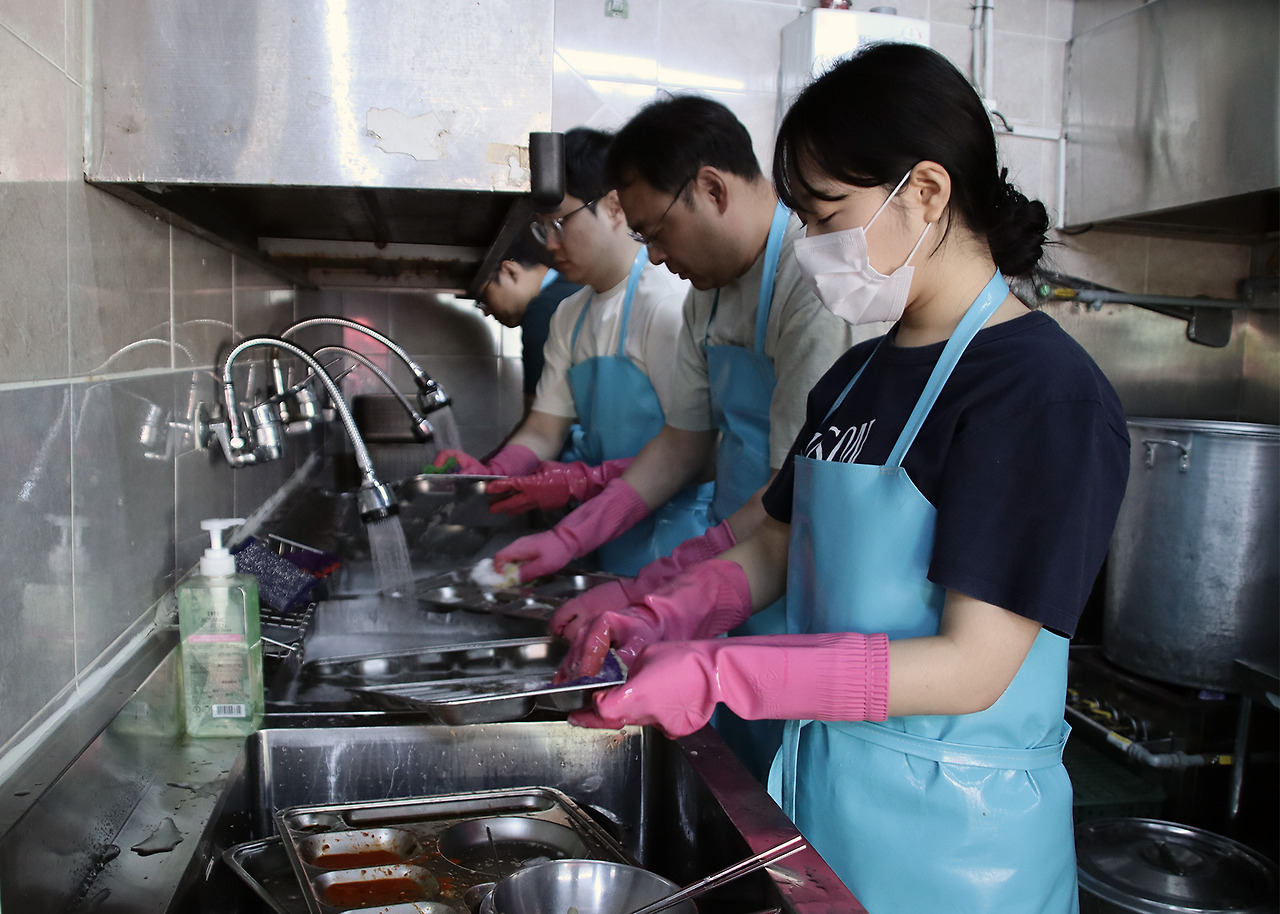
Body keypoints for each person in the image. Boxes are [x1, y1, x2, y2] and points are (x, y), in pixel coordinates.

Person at [557, 43, 1130, 914]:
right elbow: (780, 545)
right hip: (820, 802)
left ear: (926, 194)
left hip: (954, 852)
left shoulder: (1038, 393)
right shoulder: (858, 376)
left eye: (826, 216)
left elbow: (972, 668)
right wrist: (663, 614)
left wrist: (724, 673)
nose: (813, 247)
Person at [488, 96, 859, 780]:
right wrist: (573, 539)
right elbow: (684, 445)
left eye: (657, 231)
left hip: (797, 586)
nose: (652, 255)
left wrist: (657, 591)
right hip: (730, 576)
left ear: (713, 189)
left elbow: (793, 492)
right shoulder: (706, 297)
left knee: (781, 779)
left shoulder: (812, 291)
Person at [433, 127, 706, 576]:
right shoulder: (569, 316)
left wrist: (582, 481)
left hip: (675, 540)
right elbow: (544, 428)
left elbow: (695, 451)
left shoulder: (666, 303)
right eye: (541, 229)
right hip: (604, 532)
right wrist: (492, 474)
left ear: (616, 207)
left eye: (560, 223)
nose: (550, 243)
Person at [474, 231, 582, 414]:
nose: (487, 311)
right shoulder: (574, 288)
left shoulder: (543, 312)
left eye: (484, 296)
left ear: (510, 271)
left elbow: (538, 417)